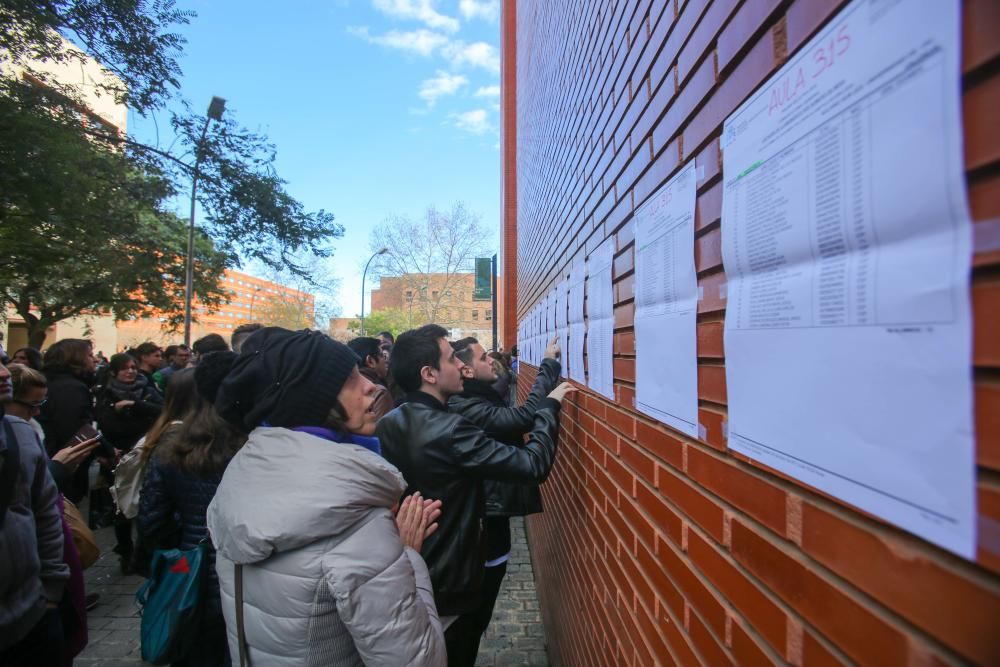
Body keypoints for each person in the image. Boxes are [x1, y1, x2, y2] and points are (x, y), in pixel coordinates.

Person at [208, 328, 447, 665]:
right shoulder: (355, 521)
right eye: (349, 379)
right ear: (311, 399)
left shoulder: (238, 486)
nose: (370, 386)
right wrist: (407, 557)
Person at [376, 324, 573, 667]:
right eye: (451, 359)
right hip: (453, 576)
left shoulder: (391, 421)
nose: (461, 367)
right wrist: (548, 410)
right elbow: (531, 465)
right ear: (430, 374)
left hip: (417, 564)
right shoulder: (450, 428)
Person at [448, 336, 564, 647]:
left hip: (491, 518)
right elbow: (523, 419)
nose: (491, 361)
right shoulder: (465, 406)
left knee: (479, 615)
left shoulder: (475, 397)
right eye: (484, 357)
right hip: (485, 523)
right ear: (468, 371)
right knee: (473, 621)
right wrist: (549, 370)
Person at [138, 353, 242, 667]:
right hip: (243, 581)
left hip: (191, 579)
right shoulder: (254, 444)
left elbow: (151, 521)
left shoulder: (174, 445)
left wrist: (177, 553)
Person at [0, 363, 71, 666]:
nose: (4, 373)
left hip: (32, 612)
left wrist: (52, 590)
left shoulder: (21, 434)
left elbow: (46, 514)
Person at [96, 353, 164, 572]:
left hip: (146, 452)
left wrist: (134, 406)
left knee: (146, 502)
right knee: (121, 507)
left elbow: (162, 412)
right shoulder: (105, 394)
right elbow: (106, 425)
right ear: (115, 371)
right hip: (118, 455)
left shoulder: (147, 391)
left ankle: (143, 551)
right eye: (125, 368)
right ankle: (125, 551)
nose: (131, 371)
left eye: (133, 367)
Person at [38, 339, 100, 503]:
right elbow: (75, 429)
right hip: (64, 465)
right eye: (90, 355)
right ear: (75, 359)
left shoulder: (58, 382)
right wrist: (106, 451)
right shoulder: (70, 388)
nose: (95, 359)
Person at [347, 336, 394, 419]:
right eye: (383, 356)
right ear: (370, 361)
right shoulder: (380, 393)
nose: (386, 361)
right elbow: (382, 430)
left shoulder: (343, 388)